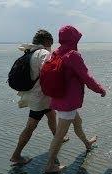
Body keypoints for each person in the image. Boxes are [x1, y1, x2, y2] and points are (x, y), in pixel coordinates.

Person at [44, 25, 106, 173]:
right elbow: (86, 77)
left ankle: (87, 143)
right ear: (74, 39)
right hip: (68, 102)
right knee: (60, 135)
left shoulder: (56, 53)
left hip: (58, 98)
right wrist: (100, 90)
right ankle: (49, 166)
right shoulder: (73, 55)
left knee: (78, 122)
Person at [10, 30, 69, 166]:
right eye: (50, 44)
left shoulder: (29, 52)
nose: (51, 47)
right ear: (47, 42)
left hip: (34, 94)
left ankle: (58, 136)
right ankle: (16, 155)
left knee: (51, 114)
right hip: (39, 97)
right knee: (31, 126)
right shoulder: (43, 54)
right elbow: (50, 72)